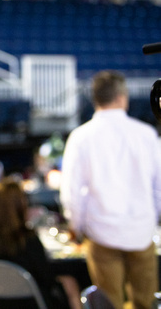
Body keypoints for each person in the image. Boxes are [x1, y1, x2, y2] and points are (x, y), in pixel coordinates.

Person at [60, 70, 161, 309]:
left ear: (95, 98)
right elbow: (158, 186)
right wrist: (156, 219)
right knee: (145, 303)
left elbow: (71, 192)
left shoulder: (81, 137)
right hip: (141, 231)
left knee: (109, 304)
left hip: (102, 232)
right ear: (122, 97)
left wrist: (76, 226)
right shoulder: (146, 135)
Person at [0, 179, 79, 309]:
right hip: (31, 303)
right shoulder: (28, 238)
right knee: (69, 282)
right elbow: (46, 277)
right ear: (20, 204)